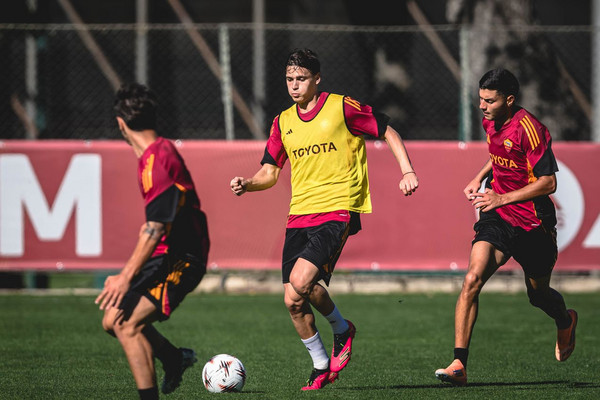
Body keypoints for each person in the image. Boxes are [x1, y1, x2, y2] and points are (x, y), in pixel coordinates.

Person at [230, 48, 418, 390]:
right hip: (299, 214)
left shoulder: (341, 107)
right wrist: (248, 183)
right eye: (289, 79)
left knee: (301, 281)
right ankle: (320, 365)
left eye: (301, 79)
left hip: (337, 209)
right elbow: (269, 172)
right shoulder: (282, 122)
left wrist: (407, 171)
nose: (294, 85)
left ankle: (341, 328)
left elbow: (388, 131)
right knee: (293, 299)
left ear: (317, 79)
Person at [435, 68, 578, 386]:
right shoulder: (490, 121)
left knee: (539, 295)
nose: (482, 106)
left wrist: (502, 198)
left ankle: (565, 320)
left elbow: (549, 183)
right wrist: (478, 177)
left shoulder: (532, 129)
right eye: (480, 99)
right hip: (498, 217)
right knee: (472, 279)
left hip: (533, 223)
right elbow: (498, 154)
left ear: (509, 100)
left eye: (490, 100)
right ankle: (459, 364)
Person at [95, 83, 210, 400]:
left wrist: (125, 276)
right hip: (164, 256)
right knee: (112, 321)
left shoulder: (157, 160)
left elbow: (155, 229)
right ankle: (174, 358)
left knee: (127, 325)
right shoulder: (152, 156)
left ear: (120, 123)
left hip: (182, 258)